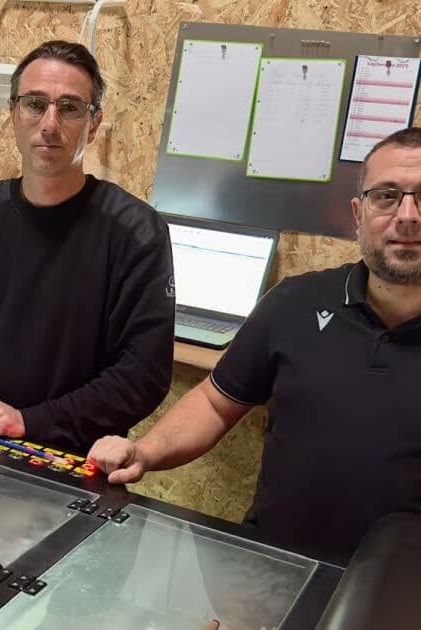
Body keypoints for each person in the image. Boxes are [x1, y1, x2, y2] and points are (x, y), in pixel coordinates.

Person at [89, 126, 421, 562]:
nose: (408, 215)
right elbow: (215, 403)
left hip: (398, 589)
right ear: (358, 213)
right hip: (272, 568)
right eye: (387, 196)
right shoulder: (296, 301)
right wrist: (145, 451)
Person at [0, 40, 174, 453]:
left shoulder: (136, 234)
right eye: (35, 104)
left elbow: (142, 373)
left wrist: (31, 422)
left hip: (67, 462)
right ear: (13, 114)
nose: (49, 123)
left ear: (94, 124)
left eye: (70, 107)